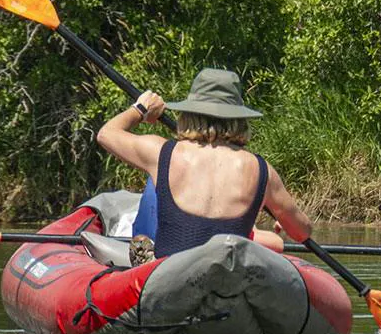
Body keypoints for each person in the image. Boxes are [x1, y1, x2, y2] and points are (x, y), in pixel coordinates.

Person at [95, 67, 312, 263]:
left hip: (168, 285)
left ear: (188, 113)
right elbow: (303, 232)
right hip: (229, 290)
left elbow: (107, 134)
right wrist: (286, 223)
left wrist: (140, 109)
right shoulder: (261, 170)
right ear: (239, 117)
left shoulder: (162, 154)